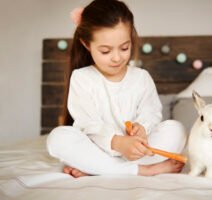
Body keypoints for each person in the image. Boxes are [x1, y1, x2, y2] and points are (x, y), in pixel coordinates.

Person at [47, 0, 186, 177]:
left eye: (124, 48)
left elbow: (151, 113)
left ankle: (100, 169)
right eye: (105, 51)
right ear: (86, 44)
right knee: (58, 139)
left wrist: (142, 129)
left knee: (176, 130)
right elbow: (88, 124)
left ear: (131, 40)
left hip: (138, 152)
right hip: (99, 149)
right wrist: (117, 142)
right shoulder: (81, 78)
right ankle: (143, 170)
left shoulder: (141, 78)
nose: (117, 58)